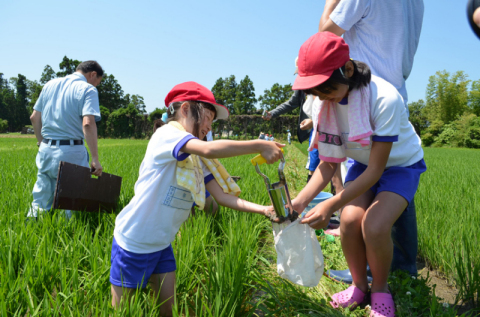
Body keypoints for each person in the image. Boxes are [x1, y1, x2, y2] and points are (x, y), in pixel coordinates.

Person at [110, 81, 283, 316]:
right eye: (208, 117)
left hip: (162, 244)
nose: (210, 126)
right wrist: (260, 144)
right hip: (134, 242)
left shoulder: (195, 157)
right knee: (124, 313)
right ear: (185, 110)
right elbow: (210, 149)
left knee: (168, 311)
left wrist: (264, 209)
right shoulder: (167, 134)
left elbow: (221, 197)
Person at [291, 33, 425, 316]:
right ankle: (358, 285)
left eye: (324, 88)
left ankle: (380, 288)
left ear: (347, 70)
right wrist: (300, 202)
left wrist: (329, 204)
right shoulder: (322, 103)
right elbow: (328, 163)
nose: (319, 96)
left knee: (375, 226)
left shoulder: (384, 98)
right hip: (363, 164)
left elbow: (378, 170)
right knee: (351, 220)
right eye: (313, 91)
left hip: (400, 166)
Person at [319, 0, 424, 280]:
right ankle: (400, 267)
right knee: (386, 195)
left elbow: (325, 36)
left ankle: (379, 272)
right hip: (390, 88)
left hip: (362, 93)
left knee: (386, 182)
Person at [28, 61, 104, 220]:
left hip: (46, 149)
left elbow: (35, 117)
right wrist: (95, 158)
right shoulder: (88, 89)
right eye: (97, 82)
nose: (96, 86)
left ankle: (32, 229)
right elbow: (88, 123)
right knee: (70, 202)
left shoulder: (50, 84)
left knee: (41, 198)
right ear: (93, 75)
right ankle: (66, 237)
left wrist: (41, 142)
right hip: (71, 151)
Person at [263, 58, 343, 190]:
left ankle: (335, 202)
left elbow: (331, 105)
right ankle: (312, 202)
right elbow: (292, 102)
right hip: (316, 129)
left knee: (333, 164)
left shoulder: (328, 81)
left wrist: (313, 121)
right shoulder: (303, 83)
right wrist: (272, 113)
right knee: (314, 163)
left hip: (330, 127)